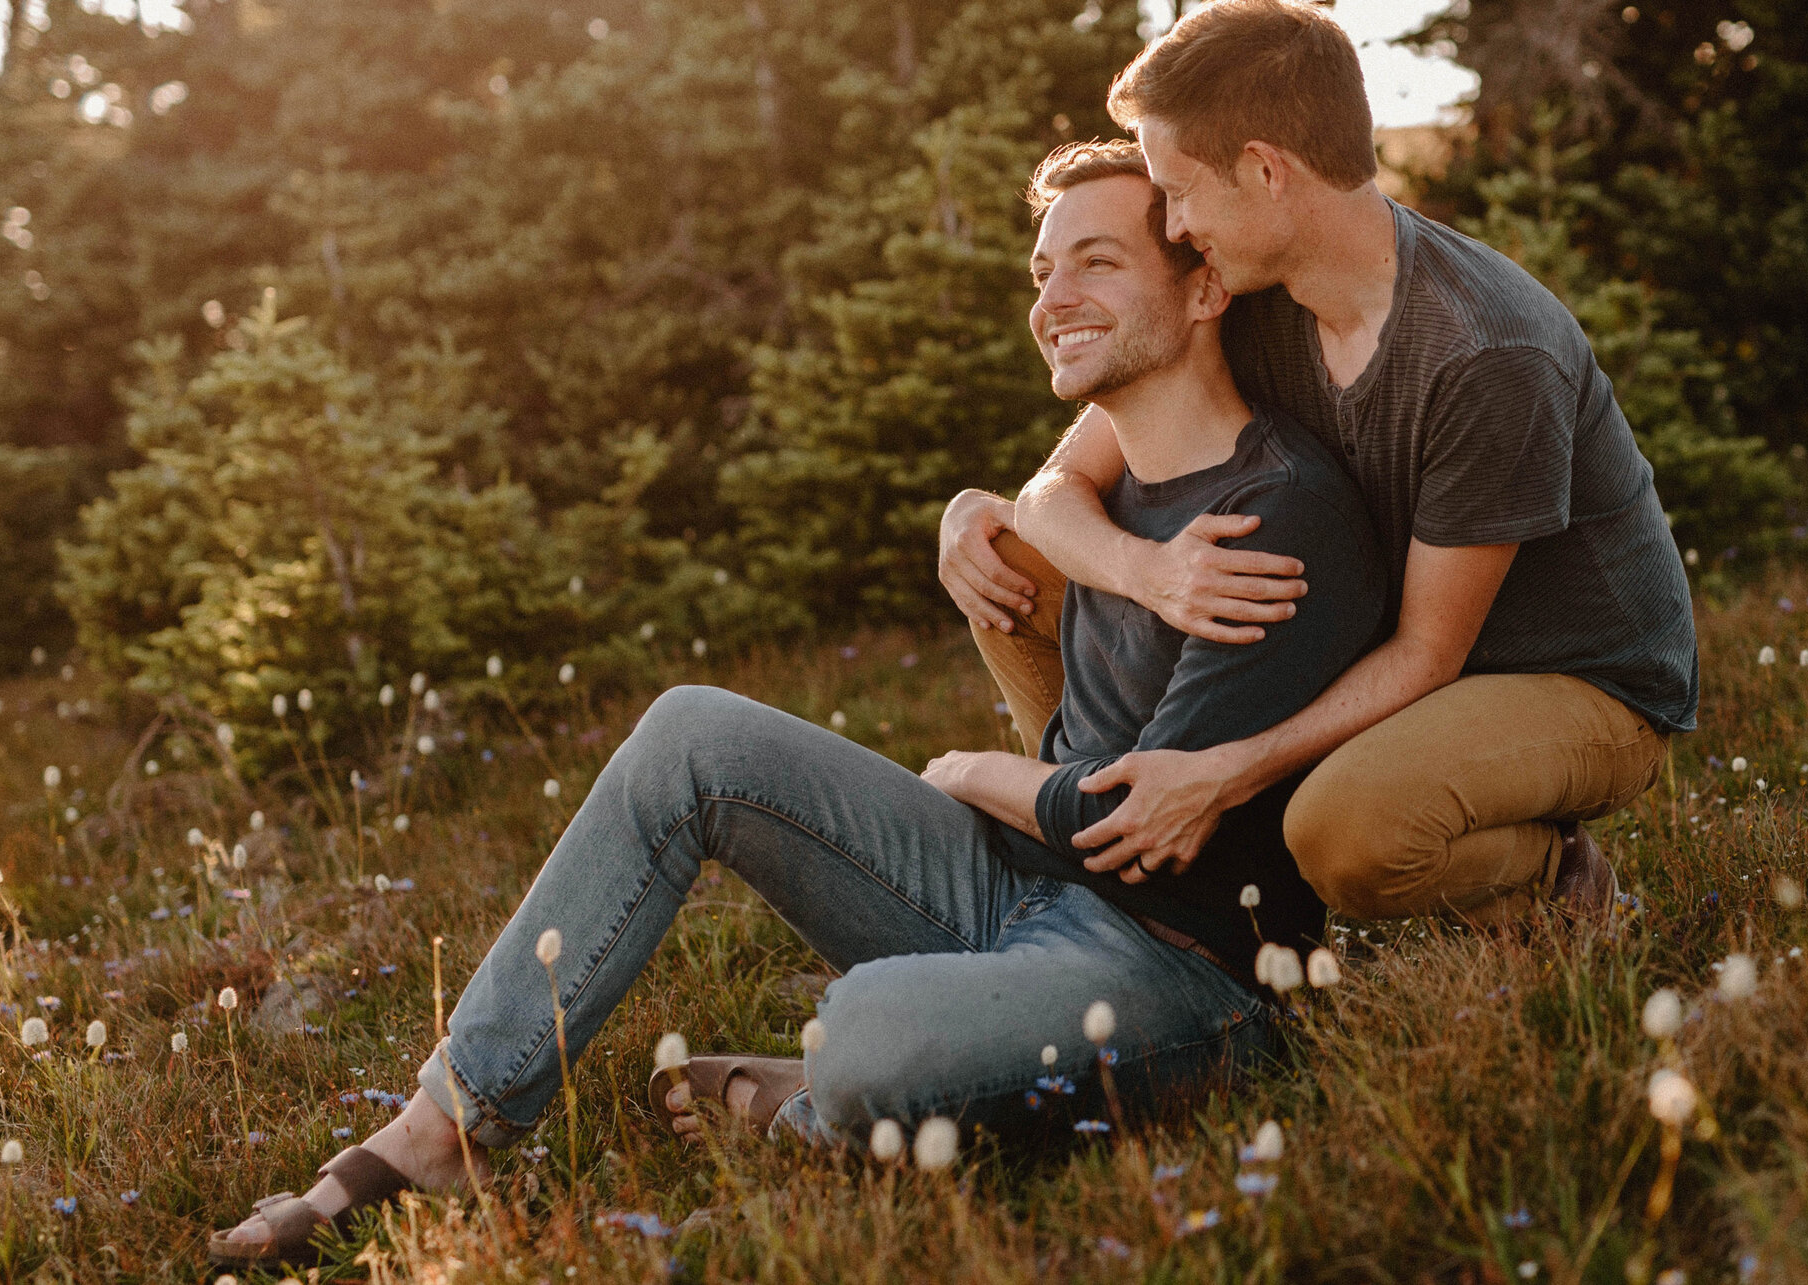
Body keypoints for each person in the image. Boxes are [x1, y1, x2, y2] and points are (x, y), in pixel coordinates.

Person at [208, 140, 1383, 1266]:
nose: (1052, 297)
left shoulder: (1270, 518)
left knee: (865, 1033)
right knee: (690, 733)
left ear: (1202, 286)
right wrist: (981, 514)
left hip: (1188, 974)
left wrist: (964, 775)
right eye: (1041, 268)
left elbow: (1132, 823)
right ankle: (443, 1128)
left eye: (1097, 261)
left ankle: (821, 1101)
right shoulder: (1106, 476)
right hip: (1026, 892)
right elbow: (1049, 495)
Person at [941, 0, 1696, 928]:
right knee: (1009, 560)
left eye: (1178, 191)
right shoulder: (1255, 289)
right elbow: (1058, 488)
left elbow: (1430, 652)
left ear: (1263, 171)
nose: (1173, 227)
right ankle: (1093, 844)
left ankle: (1557, 878)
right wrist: (1152, 572)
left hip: (1568, 678)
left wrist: (1222, 771)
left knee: (1345, 831)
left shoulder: (1485, 353)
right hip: (1382, 630)